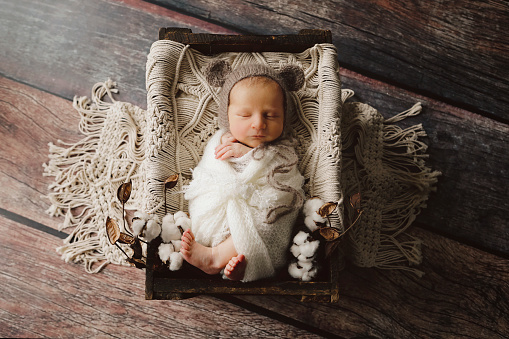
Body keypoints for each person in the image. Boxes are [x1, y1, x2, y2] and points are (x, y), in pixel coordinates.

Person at [180, 62, 305, 282]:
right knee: (210, 204)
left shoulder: (284, 151)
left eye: (271, 115)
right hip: (222, 212)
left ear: (285, 116)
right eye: (245, 115)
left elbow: (285, 189)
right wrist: (231, 151)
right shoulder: (219, 139)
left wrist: (248, 153)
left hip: (259, 215)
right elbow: (209, 170)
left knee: (269, 220)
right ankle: (233, 260)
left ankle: (218, 258)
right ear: (227, 116)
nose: (258, 123)